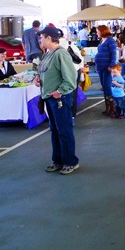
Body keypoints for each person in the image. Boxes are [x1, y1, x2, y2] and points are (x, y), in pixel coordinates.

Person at [33, 25, 79, 175]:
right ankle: (58, 160)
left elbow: (71, 79)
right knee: (55, 130)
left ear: (48, 38)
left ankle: (71, 161)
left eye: (41, 37)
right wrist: (38, 78)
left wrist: (60, 91)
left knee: (64, 130)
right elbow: (43, 71)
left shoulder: (61, 54)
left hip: (59, 99)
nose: (40, 40)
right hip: (50, 98)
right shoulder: (48, 54)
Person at [59, 37, 84, 126]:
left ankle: (63, 117)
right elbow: (80, 58)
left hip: (62, 73)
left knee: (62, 94)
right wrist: (81, 68)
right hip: (75, 70)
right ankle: (71, 116)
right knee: (73, 93)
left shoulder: (53, 48)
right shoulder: (70, 44)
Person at [95, 25, 117, 117]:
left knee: (107, 86)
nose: (96, 33)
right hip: (101, 67)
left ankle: (112, 107)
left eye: (98, 31)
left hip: (107, 67)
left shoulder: (110, 40)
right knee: (104, 86)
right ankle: (108, 107)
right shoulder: (102, 40)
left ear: (102, 31)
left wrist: (111, 65)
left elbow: (114, 54)